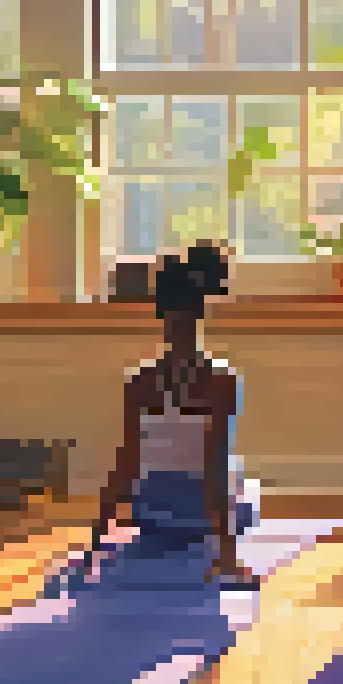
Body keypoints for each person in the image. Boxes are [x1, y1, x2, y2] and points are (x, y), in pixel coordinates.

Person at [89, 241, 258, 588]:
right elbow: (216, 467)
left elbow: (126, 464)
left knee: (208, 471)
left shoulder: (139, 380)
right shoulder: (221, 380)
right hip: (198, 522)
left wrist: (94, 546)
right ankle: (219, 549)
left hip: (153, 519)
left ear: (161, 316)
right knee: (245, 482)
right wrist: (227, 560)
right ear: (201, 315)